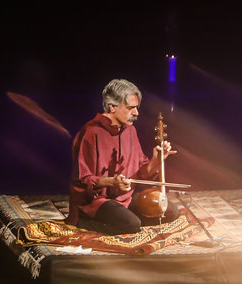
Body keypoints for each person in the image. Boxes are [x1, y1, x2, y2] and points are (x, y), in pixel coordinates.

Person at [65, 79, 178, 235]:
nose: (136, 113)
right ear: (113, 107)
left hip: (125, 198)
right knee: (131, 225)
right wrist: (111, 182)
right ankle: (82, 221)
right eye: (131, 108)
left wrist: (156, 161)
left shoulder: (130, 131)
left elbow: (141, 173)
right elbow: (83, 180)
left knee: (169, 211)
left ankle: (125, 220)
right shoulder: (91, 132)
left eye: (136, 108)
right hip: (96, 202)